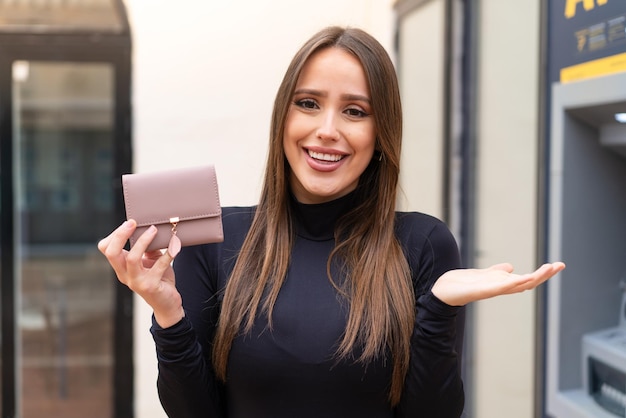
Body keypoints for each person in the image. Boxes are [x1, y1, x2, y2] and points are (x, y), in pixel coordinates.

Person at [98, 26, 565, 418]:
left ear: (381, 135)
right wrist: (167, 311)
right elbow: (194, 412)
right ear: (283, 117)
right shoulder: (213, 240)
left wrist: (438, 308)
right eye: (308, 103)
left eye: (355, 111)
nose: (327, 129)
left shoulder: (425, 243)